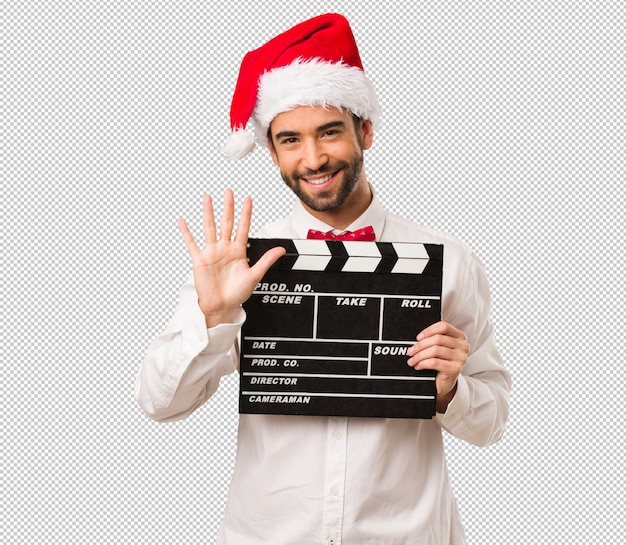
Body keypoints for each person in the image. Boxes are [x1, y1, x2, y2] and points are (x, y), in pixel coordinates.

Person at [135, 13, 511, 544]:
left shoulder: (447, 260)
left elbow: (493, 420)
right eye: (290, 140)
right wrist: (214, 316)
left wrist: (450, 391)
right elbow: (159, 402)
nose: (312, 159)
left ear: (366, 130)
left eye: (329, 132)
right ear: (272, 152)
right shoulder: (242, 263)